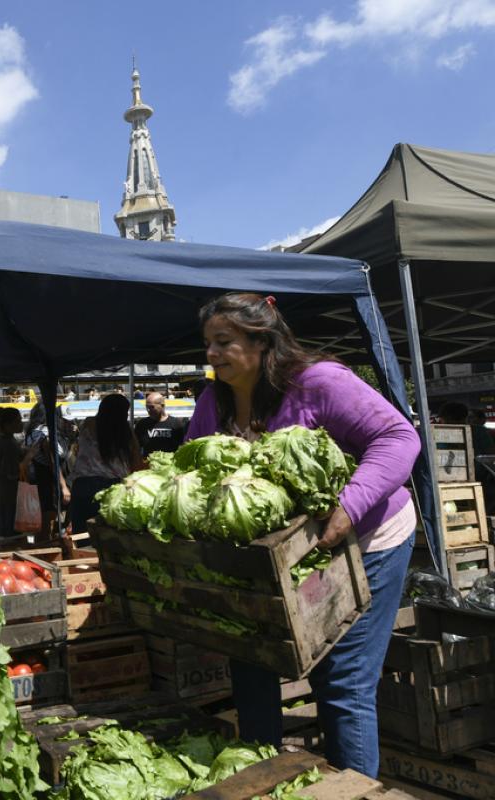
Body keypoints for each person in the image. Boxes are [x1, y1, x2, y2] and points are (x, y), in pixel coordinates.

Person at [187, 292, 419, 777]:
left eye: (223, 342)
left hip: (367, 538)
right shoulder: (216, 399)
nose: (210, 354)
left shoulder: (319, 382)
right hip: (279, 554)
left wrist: (349, 506)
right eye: (207, 343)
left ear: (262, 340)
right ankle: (262, 779)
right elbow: (190, 464)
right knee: (251, 660)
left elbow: (400, 438)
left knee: (343, 677)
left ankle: (354, 787)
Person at [69, 396, 143, 532]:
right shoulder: (126, 432)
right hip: (112, 488)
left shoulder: (88, 423)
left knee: (82, 537)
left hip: (82, 485)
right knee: (108, 537)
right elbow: (137, 464)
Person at [24, 404, 71, 537]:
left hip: (38, 479)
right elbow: (52, 461)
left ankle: (43, 546)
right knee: (48, 518)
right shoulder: (43, 433)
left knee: (43, 519)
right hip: (47, 481)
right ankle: (47, 548)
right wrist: (63, 487)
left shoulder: (32, 431)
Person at [0, 407, 34, 540]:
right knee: (11, 536)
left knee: (2, 532)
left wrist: (22, 451)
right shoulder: (7, 442)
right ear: (8, 424)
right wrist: (29, 456)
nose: (21, 423)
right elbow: (12, 473)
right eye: (18, 420)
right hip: (8, 495)